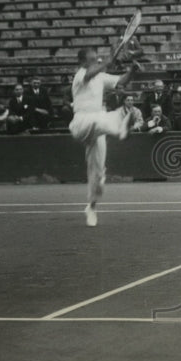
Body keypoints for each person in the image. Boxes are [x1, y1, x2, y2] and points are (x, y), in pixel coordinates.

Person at [68, 43, 137, 226]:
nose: (95, 62)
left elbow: (121, 81)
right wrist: (109, 60)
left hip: (99, 127)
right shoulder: (80, 75)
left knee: (98, 175)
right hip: (81, 123)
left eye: (95, 59)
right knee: (101, 119)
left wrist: (133, 69)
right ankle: (119, 125)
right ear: (82, 62)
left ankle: (91, 207)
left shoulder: (101, 77)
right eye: (91, 60)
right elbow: (90, 74)